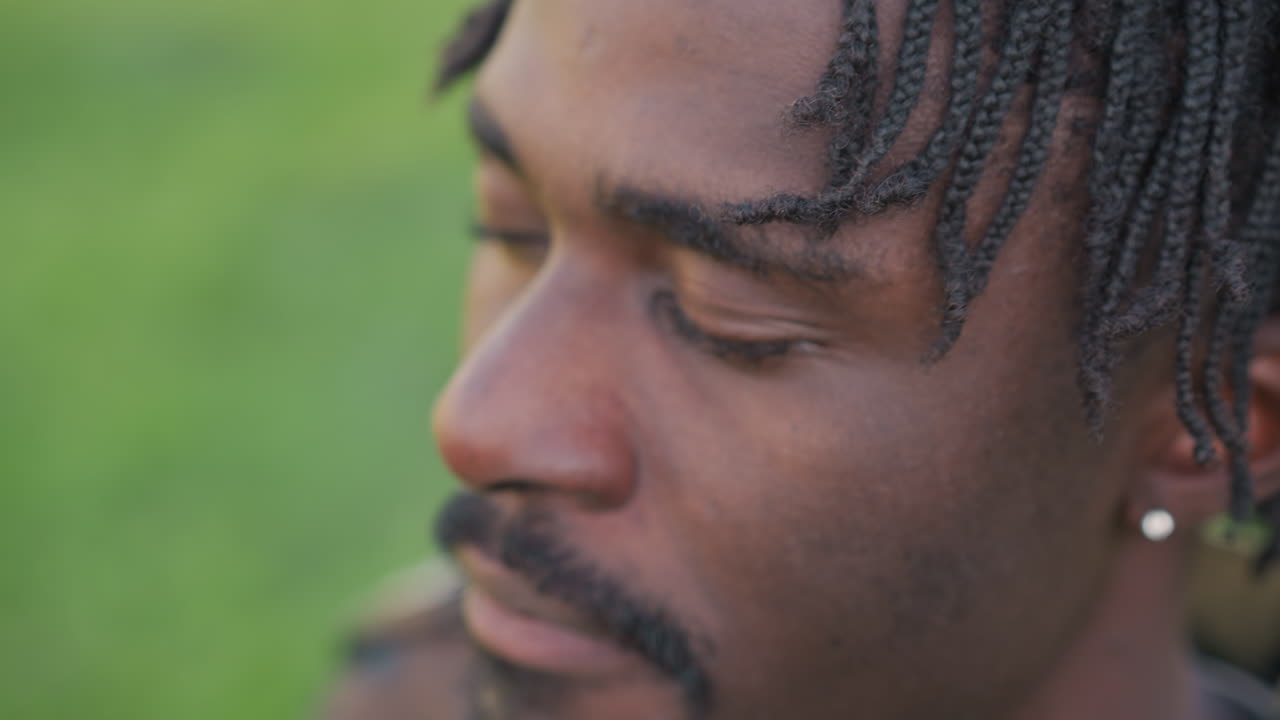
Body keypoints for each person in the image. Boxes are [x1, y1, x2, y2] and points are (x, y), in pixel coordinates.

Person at [325, 0, 1280, 718]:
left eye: (731, 323)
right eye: (512, 226)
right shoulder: (410, 685)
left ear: (1212, 426)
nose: (476, 421)